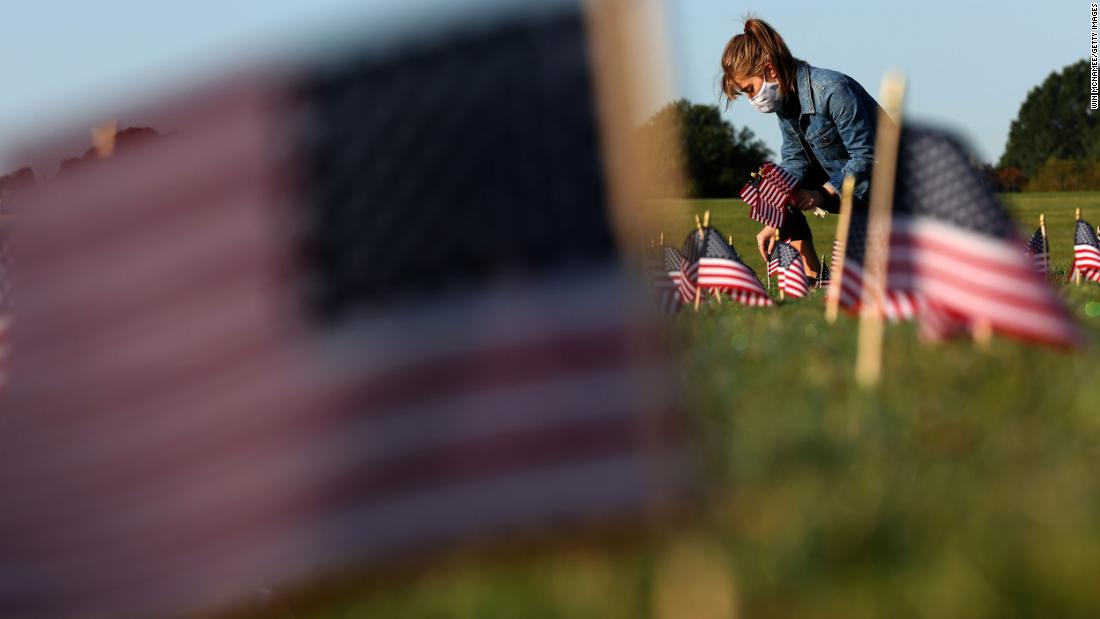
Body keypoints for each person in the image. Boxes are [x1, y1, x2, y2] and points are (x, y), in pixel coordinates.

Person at [720, 17, 882, 280]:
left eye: (750, 89)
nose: (752, 100)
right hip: (847, 190)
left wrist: (822, 193)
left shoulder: (832, 89)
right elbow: (795, 161)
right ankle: (812, 279)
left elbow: (867, 156)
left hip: (886, 190)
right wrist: (774, 216)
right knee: (778, 187)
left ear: (770, 69)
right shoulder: (785, 102)